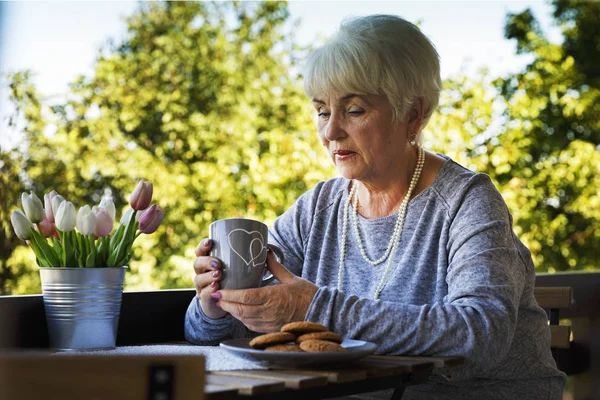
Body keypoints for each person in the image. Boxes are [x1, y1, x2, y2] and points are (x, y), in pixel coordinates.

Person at [185, 14, 566, 399]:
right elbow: (231, 330)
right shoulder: (317, 209)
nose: (330, 132)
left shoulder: (467, 201)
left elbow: (480, 334)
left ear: (412, 114)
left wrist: (315, 306)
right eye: (322, 111)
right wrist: (215, 304)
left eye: (354, 110)